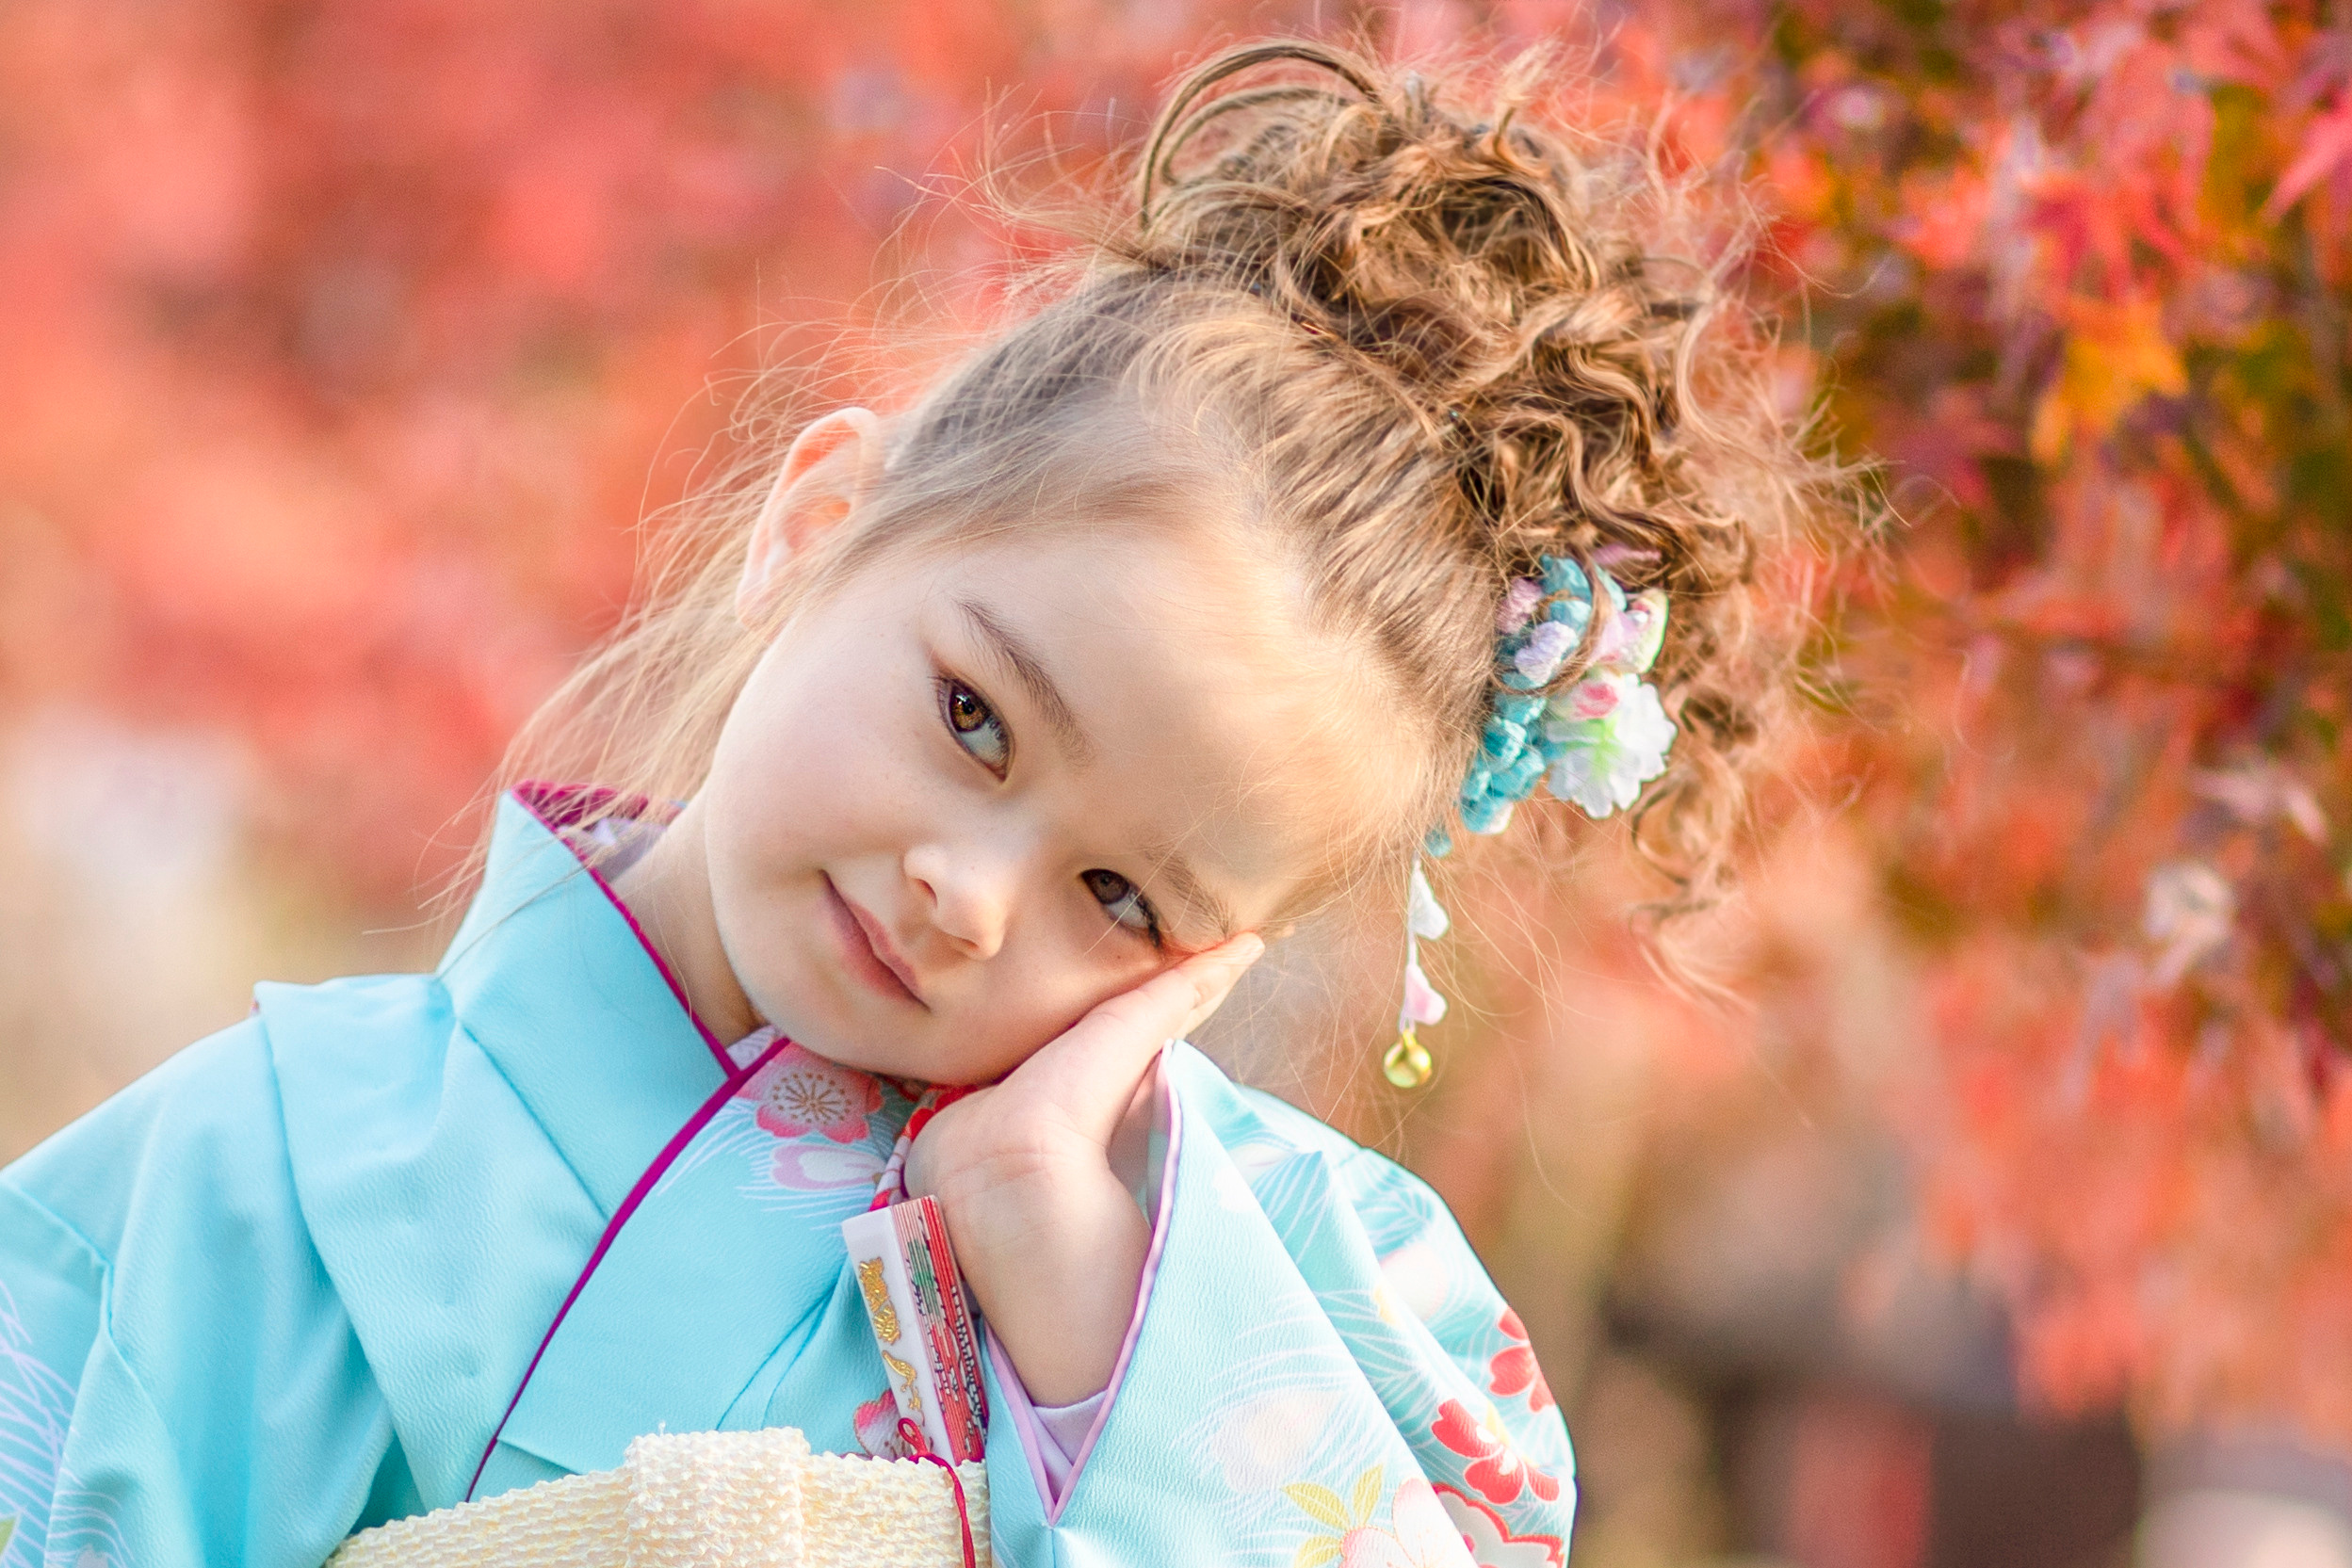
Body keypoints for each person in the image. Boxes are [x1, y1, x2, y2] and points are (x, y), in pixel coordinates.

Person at [0, 38, 1833, 1568]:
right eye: (974, 718)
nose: (970, 893)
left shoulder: (1279, 1298)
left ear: (1223, 957)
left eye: (1123, 898)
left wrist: (1068, 1272)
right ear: (817, 526)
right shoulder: (270, 1166)